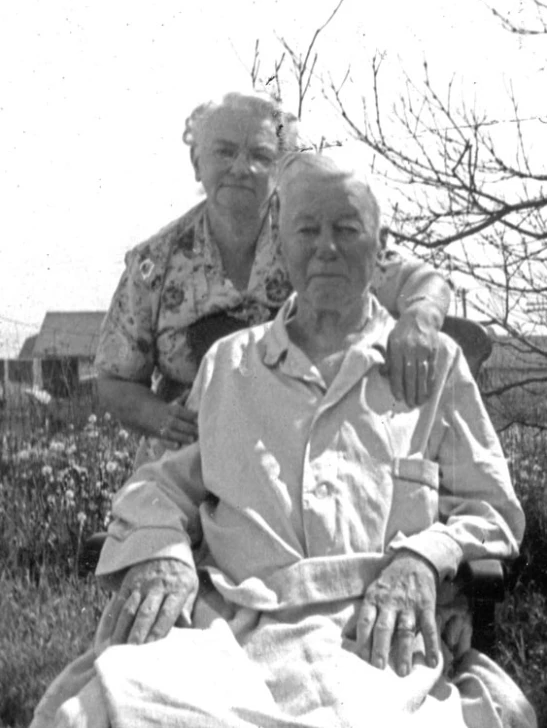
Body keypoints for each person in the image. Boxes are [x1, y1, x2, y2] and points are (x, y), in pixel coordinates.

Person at [33, 151, 535, 728]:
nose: (325, 247)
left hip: (371, 633)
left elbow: (494, 509)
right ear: (282, 240)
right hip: (230, 628)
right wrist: (164, 555)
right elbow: (160, 484)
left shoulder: (434, 365)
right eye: (307, 229)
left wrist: (425, 557)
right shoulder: (230, 364)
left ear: (382, 245)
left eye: (346, 229)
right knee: (95, 714)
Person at [95, 90, 451, 468]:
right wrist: (160, 418)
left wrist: (419, 321)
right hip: (191, 458)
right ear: (197, 162)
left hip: (307, 450)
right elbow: (114, 380)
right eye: (224, 152)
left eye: (260, 156)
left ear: (281, 169)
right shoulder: (155, 263)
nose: (240, 168)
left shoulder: (314, 234)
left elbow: (423, 281)